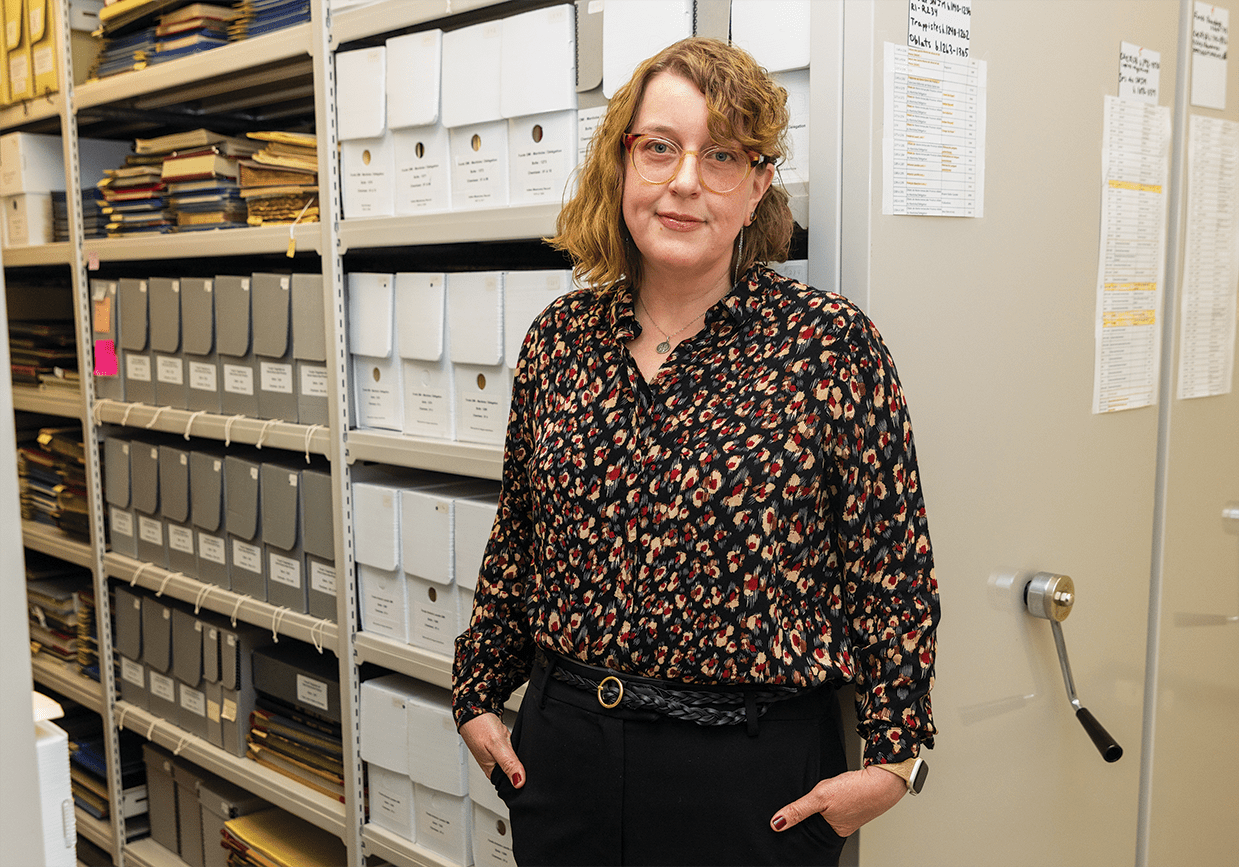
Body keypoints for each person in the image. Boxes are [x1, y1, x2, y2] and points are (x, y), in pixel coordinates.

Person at [452, 36, 939, 867]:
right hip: (565, 753)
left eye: (720, 155)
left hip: (752, 777)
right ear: (621, 166)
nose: (683, 181)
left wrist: (895, 761)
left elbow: (890, 566)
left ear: (756, 187)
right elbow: (520, 538)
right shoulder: (559, 340)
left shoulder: (829, 346)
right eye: (659, 148)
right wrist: (475, 693)